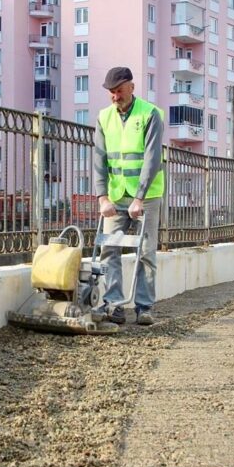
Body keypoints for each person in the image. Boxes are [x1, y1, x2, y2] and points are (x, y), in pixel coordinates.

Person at [93, 66, 164, 326]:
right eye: (111, 92)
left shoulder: (150, 114)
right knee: (109, 250)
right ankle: (114, 305)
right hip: (115, 195)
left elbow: (152, 158)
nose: (115, 96)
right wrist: (102, 197)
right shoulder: (104, 117)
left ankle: (144, 308)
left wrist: (139, 198)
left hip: (145, 197)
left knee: (145, 252)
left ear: (131, 88)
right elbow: (99, 160)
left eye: (119, 91)